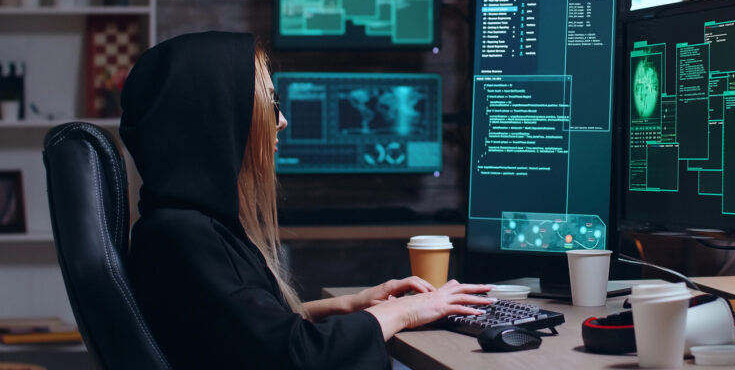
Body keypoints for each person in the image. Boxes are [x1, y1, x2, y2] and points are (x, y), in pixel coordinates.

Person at [122, 31, 491, 369]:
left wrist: (350, 304)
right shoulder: (184, 239)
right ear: (217, 117)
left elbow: (252, 332)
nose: (281, 120)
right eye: (270, 102)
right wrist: (408, 312)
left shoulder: (184, 225)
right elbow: (297, 357)